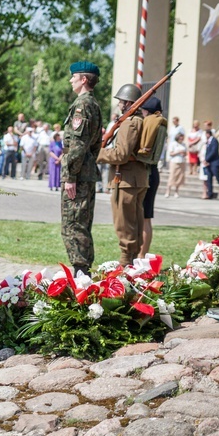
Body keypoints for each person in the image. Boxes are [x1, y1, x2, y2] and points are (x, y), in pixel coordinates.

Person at [97, 83, 148, 267]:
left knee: (124, 223)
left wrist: (96, 153)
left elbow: (121, 154)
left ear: (127, 103)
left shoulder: (130, 123)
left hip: (126, 179)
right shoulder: (137, 120)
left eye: (120, 101)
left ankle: (127, 261)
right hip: (134, 178)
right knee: (133, 221)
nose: (119, 104)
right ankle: (132, 259)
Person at [61, 61, 103, 276]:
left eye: (74, 76)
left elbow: (78, 144)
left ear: (84, 79)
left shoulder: (83, 105)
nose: (71, 80)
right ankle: (82, 272)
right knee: (81, 223)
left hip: (78, 175)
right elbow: (95, 145)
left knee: (74, 224)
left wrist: (70, 175)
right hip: (85, 171)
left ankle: (81, 274)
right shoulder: (92, 104)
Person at [138, 97, 166, 257]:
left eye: (144, 112)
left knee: (144, 217)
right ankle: (141, 254)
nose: (143, 115)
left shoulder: (153, 124)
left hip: (148, 171)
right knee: (145, 217)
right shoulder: (160, 124)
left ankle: (142, 255)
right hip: (152, 171)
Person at [202, 126, 219, 201]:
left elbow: (213, 152)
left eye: (206, 134)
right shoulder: (208, 142)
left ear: (208, 134)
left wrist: (206, 159)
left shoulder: (214, 141)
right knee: (209, 179)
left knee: (218, 178)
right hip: (209, 163)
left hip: (214, 163)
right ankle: (210, 193)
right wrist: (206, 160)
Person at [165, 132, 187, 197]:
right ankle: (168, 191)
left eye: (182, 137)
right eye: (181, 137)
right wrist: (178, 152)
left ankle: (176, 191)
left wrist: (184, 153)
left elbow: (186, 153)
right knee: (172, 176)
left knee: (179, 177)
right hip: (174, 161)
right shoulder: (173, 144)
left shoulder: (184, 144)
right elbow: (171, 153)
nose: (182, 139)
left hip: (181, 161)